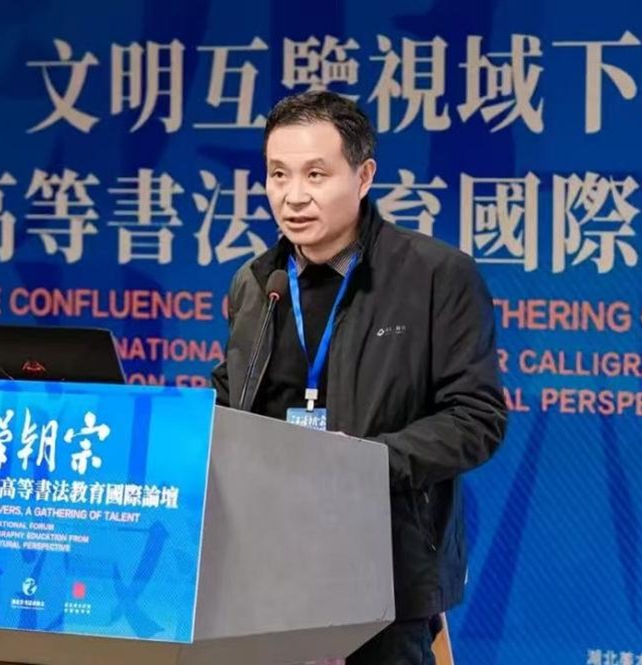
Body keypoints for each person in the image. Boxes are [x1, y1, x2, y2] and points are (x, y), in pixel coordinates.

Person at [211, 90, 507, 665]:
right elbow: (233, 400)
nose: (293, 195)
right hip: (264, 565)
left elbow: (477, 418)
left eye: (316, 174)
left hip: (385, 567)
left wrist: (364, 463)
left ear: (364, 176)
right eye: (278, 174)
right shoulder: (256, 282)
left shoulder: (435, 276)